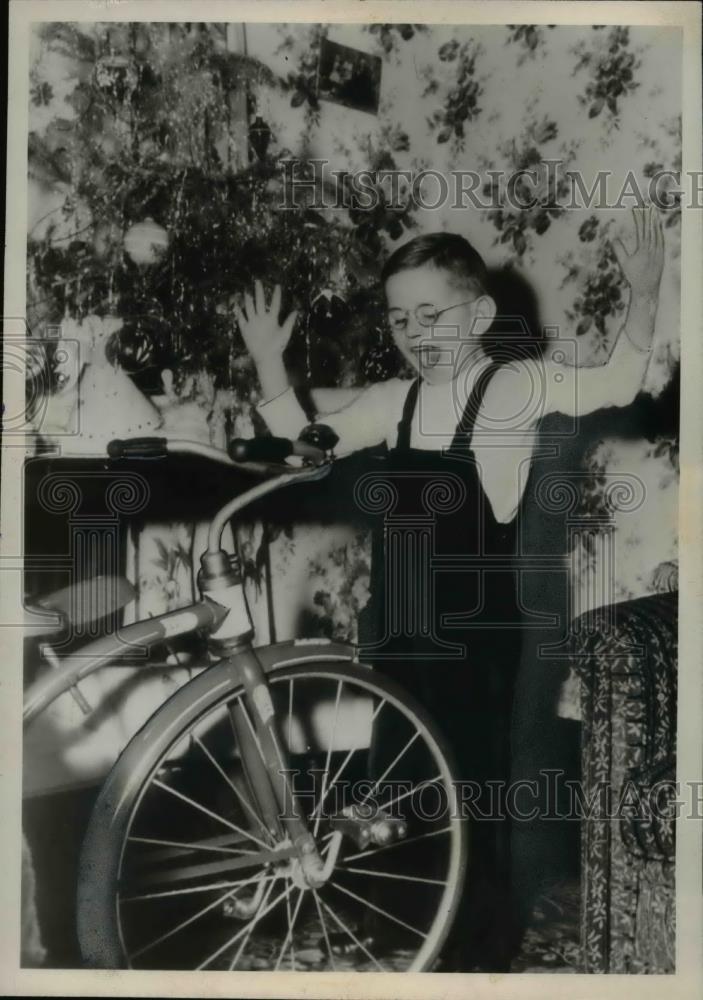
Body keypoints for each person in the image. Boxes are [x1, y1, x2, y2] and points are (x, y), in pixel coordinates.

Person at [235, 205, 664, 969]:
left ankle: (474, 949)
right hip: (398, 623)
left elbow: (621, 378)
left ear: (481, 314)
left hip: (475, 634)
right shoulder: (391, 402)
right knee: (390, 781)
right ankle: (401, 922)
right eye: (400, 318)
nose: (414, 333)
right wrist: (271, 361)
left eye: (432, 314)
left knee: (465, 786)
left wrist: (643, 293)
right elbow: (300, 449)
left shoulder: (511, 388)